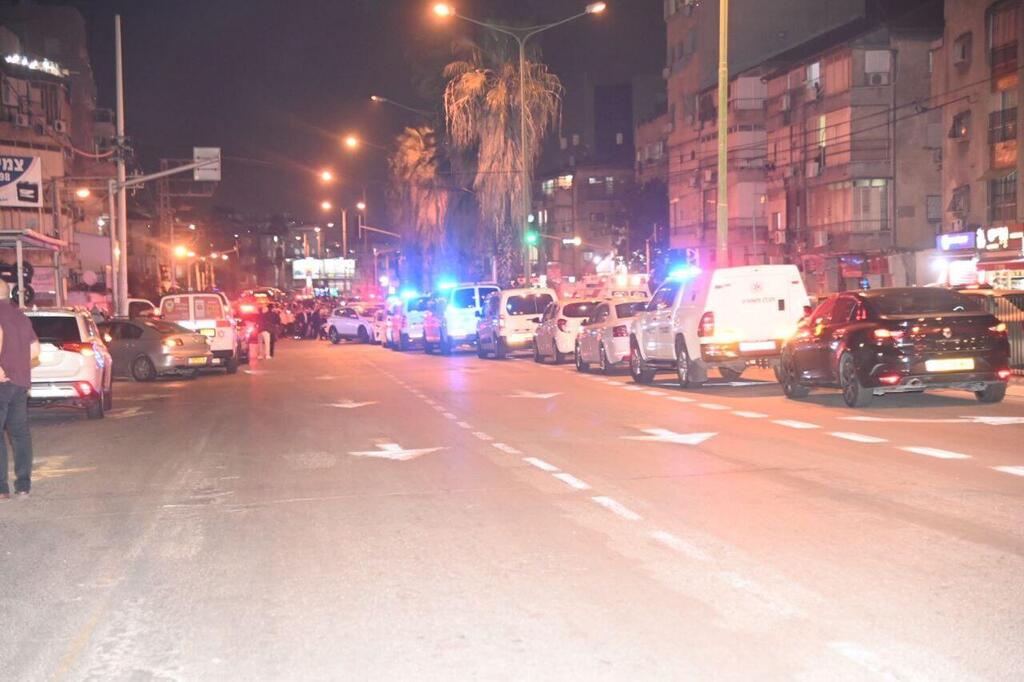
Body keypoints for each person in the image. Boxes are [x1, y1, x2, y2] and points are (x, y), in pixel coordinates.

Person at [0, 280, 39, 500]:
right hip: (20, 382)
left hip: (1, 381)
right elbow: (35, 350)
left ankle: (1, 488)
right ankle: (23, 485)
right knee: (20, 434)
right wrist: (19, 365)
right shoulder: (21, 317)